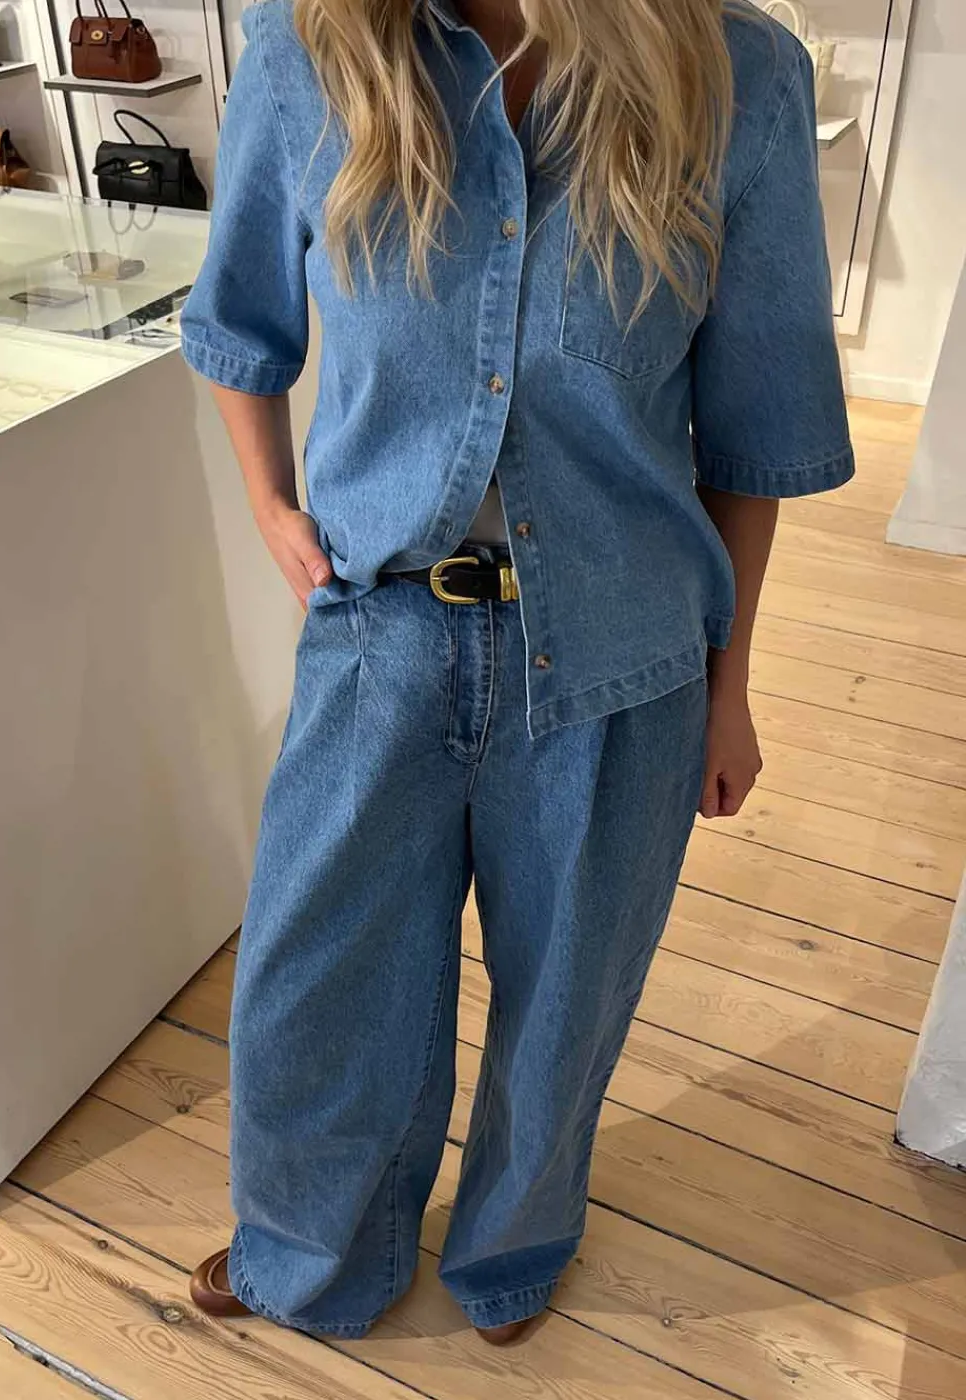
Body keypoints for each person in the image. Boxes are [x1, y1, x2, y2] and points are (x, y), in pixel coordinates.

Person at [180, 0, 853, 1345]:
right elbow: (240, 315)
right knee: (318, 984)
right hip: (380, 630)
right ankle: (311, 1250)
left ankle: (513, 1250)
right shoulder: (311, 50)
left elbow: (754, 427)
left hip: (624, 649)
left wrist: (729, 686)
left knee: (567, 999)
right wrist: (269, 505)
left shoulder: (737, 75)